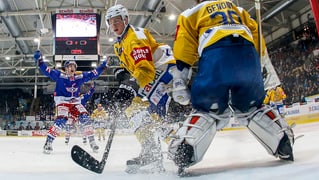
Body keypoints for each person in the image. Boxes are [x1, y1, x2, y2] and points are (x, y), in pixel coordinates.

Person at [168, 0, 295, 175]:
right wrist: (265, 73)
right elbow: (259, 42)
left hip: (217, 56)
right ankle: (282, 140)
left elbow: (184, 48)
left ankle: (186, 148)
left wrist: (180, 82)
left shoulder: (191, 13)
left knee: (209, 109)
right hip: (248, 55)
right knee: (251, 107)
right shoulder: (239, 10)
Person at [105, 4, 177, 173]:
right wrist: (123, 75)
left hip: (164, 71)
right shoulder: (119, 44)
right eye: (110, 22)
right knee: (133, 109)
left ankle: (180, 146)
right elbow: (132, 68)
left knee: (155, 116)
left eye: (117, 21)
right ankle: (151, 150)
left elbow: (145, 69)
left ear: (126, 20)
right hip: (152, 75)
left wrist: (129, 86)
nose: (114, 25)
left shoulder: (135, 37)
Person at [33, 50, 108, 154]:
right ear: (66, 68)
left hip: (75, 102)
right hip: (62, 101)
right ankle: (48, 143)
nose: (72, 68)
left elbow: (93, 74)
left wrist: (102, 66)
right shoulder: (59, 75)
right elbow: (47, 71)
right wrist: (40, 61)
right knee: (61, 121)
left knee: (86, 118)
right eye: (70, 66)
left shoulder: (79, 77)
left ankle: (92, 142)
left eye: (74, 66)